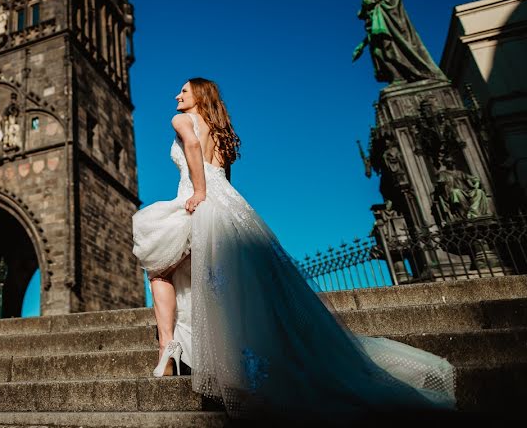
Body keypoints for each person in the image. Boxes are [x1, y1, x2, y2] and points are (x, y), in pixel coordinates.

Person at [132, 78, 456, 422]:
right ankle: (215, 351)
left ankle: (169, 346)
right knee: (219, 280)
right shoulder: (221, 130)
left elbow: (193, 148)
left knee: (159, 267)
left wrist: (198, 192)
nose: (177, 96)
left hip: (196, 198)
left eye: (184, 91)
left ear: (199, 95)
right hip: (226, 201)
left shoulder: (181, 120)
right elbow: (224, 176)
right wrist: (215, 199)